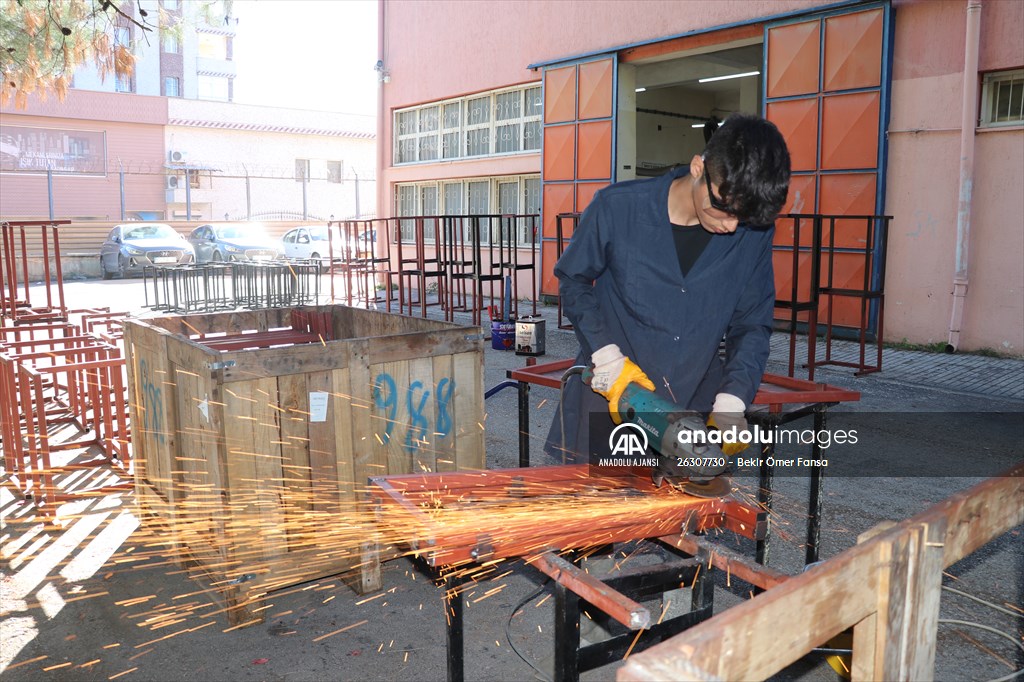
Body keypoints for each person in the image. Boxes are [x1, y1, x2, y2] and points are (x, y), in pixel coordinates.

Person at [545, 113, 791, 478]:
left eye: (743, 218)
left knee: (689, 511)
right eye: (723, 209)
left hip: (694, 407)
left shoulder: (753, 233)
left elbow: (752, 324)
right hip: (614, 401)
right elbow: (573, 280)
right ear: (698, 168)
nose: (731, 226)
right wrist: (607, 357)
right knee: (600, 510)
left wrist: (732, 400)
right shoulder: (618, 208)